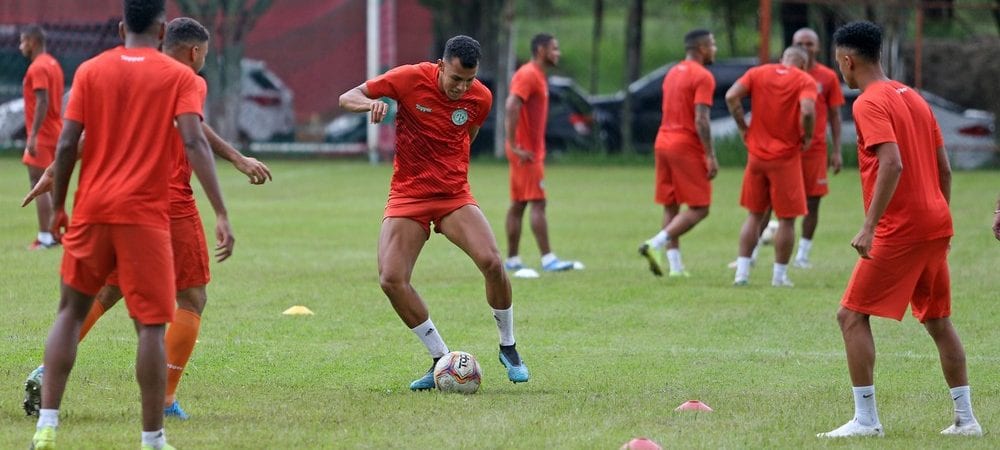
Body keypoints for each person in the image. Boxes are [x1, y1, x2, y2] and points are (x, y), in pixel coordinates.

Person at [20, 17, 270, 422]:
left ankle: (49, 370)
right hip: (166, 203)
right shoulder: (186, 80)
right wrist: (225, 201)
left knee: (105, 291)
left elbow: (81, 136)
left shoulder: (115, 72)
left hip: (112, 199)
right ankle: (164, 402)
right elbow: (193, 133)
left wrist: (51, 175)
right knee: (190, 298)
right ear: (193, 52)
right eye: (204, 54)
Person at [818, 21, 982, 438]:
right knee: (939, 320)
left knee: (850, 316)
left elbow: (892, 162)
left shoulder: (868, 103)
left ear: (848, 60)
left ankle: (866, 420)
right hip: (934, 223)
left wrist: (870, 226)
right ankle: (966, 421)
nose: (841, 71)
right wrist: (938, 215)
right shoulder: (914, 97)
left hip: (901, 228)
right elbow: (943, 168)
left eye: (839, 64)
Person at [339, 35, 530, 390]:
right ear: (441, 66)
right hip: (408, 194)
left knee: (492, 262)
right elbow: (348, 97)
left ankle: (509, 347)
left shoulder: (481, 98)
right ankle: (440, 358)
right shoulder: (409, 78)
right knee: (391, 279)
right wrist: (370, 106)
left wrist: (448, 167)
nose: (462, 88)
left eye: (469, 81)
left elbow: (467, 134)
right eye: (455, 79)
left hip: (453, 195)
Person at [725, 47, 816, 287]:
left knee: (754, 215)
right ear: (803, 65)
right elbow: (807, 110)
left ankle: (742, 274)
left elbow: (731, 96)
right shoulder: (804, 79)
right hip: (785, 158)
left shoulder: (758, 73)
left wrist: (743, 126)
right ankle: (779, 277)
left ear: (782, 59)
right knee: (786, 219)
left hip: (756, 156)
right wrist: (807, 135)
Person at [639, 29, 718, 277]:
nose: (715, 49)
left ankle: (675, 267)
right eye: (713, 44)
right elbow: (701, 119)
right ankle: (656, 243)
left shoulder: (672, 72)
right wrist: (710, 154)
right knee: (700, 207)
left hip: (662, 141)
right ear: (702, 48)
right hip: (685, 145)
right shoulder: (703, 76)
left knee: (671, 204)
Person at [503, 33, 579, 274]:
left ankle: (513, 260)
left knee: (519, 204)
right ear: (541, 50)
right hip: (525, 152)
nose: (558, 53)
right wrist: (514, 144)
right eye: (554, 49)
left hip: (526, 150)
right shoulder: (528, 74)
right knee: (538, 202)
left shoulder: (538, 75)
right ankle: (548, 259)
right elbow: (511, 105)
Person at [790, 27, 846, 268]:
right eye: (799, 42)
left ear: (818, 47)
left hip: (815, 149)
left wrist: (836, 151)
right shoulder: (782, 74)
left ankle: (802, 254)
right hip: (786, 148)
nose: (805, 47)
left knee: (812, 202)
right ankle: (751, 256)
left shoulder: (827, 76)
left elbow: (835, 115)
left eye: (809, 43)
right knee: (775, 202)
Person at [18, 24, 64, 250]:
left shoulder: (37, 68)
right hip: (56, 130)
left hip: (43, 134)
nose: (20, 47)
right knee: (53, 183)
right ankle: (55, 233)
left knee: (38, 183)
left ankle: (46, 236)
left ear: (32, 42)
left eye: (23, 41)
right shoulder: (54, 64)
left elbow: (42, 102)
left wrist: (33, 135)